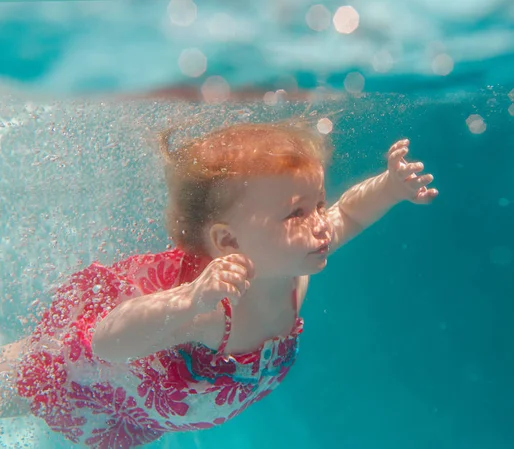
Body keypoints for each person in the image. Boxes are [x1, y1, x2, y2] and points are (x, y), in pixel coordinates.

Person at [0, 119, 437, 448]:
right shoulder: (212, 310)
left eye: (318, 204)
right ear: (228, 241)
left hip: (145, 411)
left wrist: (390, 186)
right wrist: (189, 299)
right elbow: (103, 343)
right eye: (296, 213)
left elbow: (350, 213)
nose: (321, 223)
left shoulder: (293, 264)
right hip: (90, 377)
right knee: (18, 381)